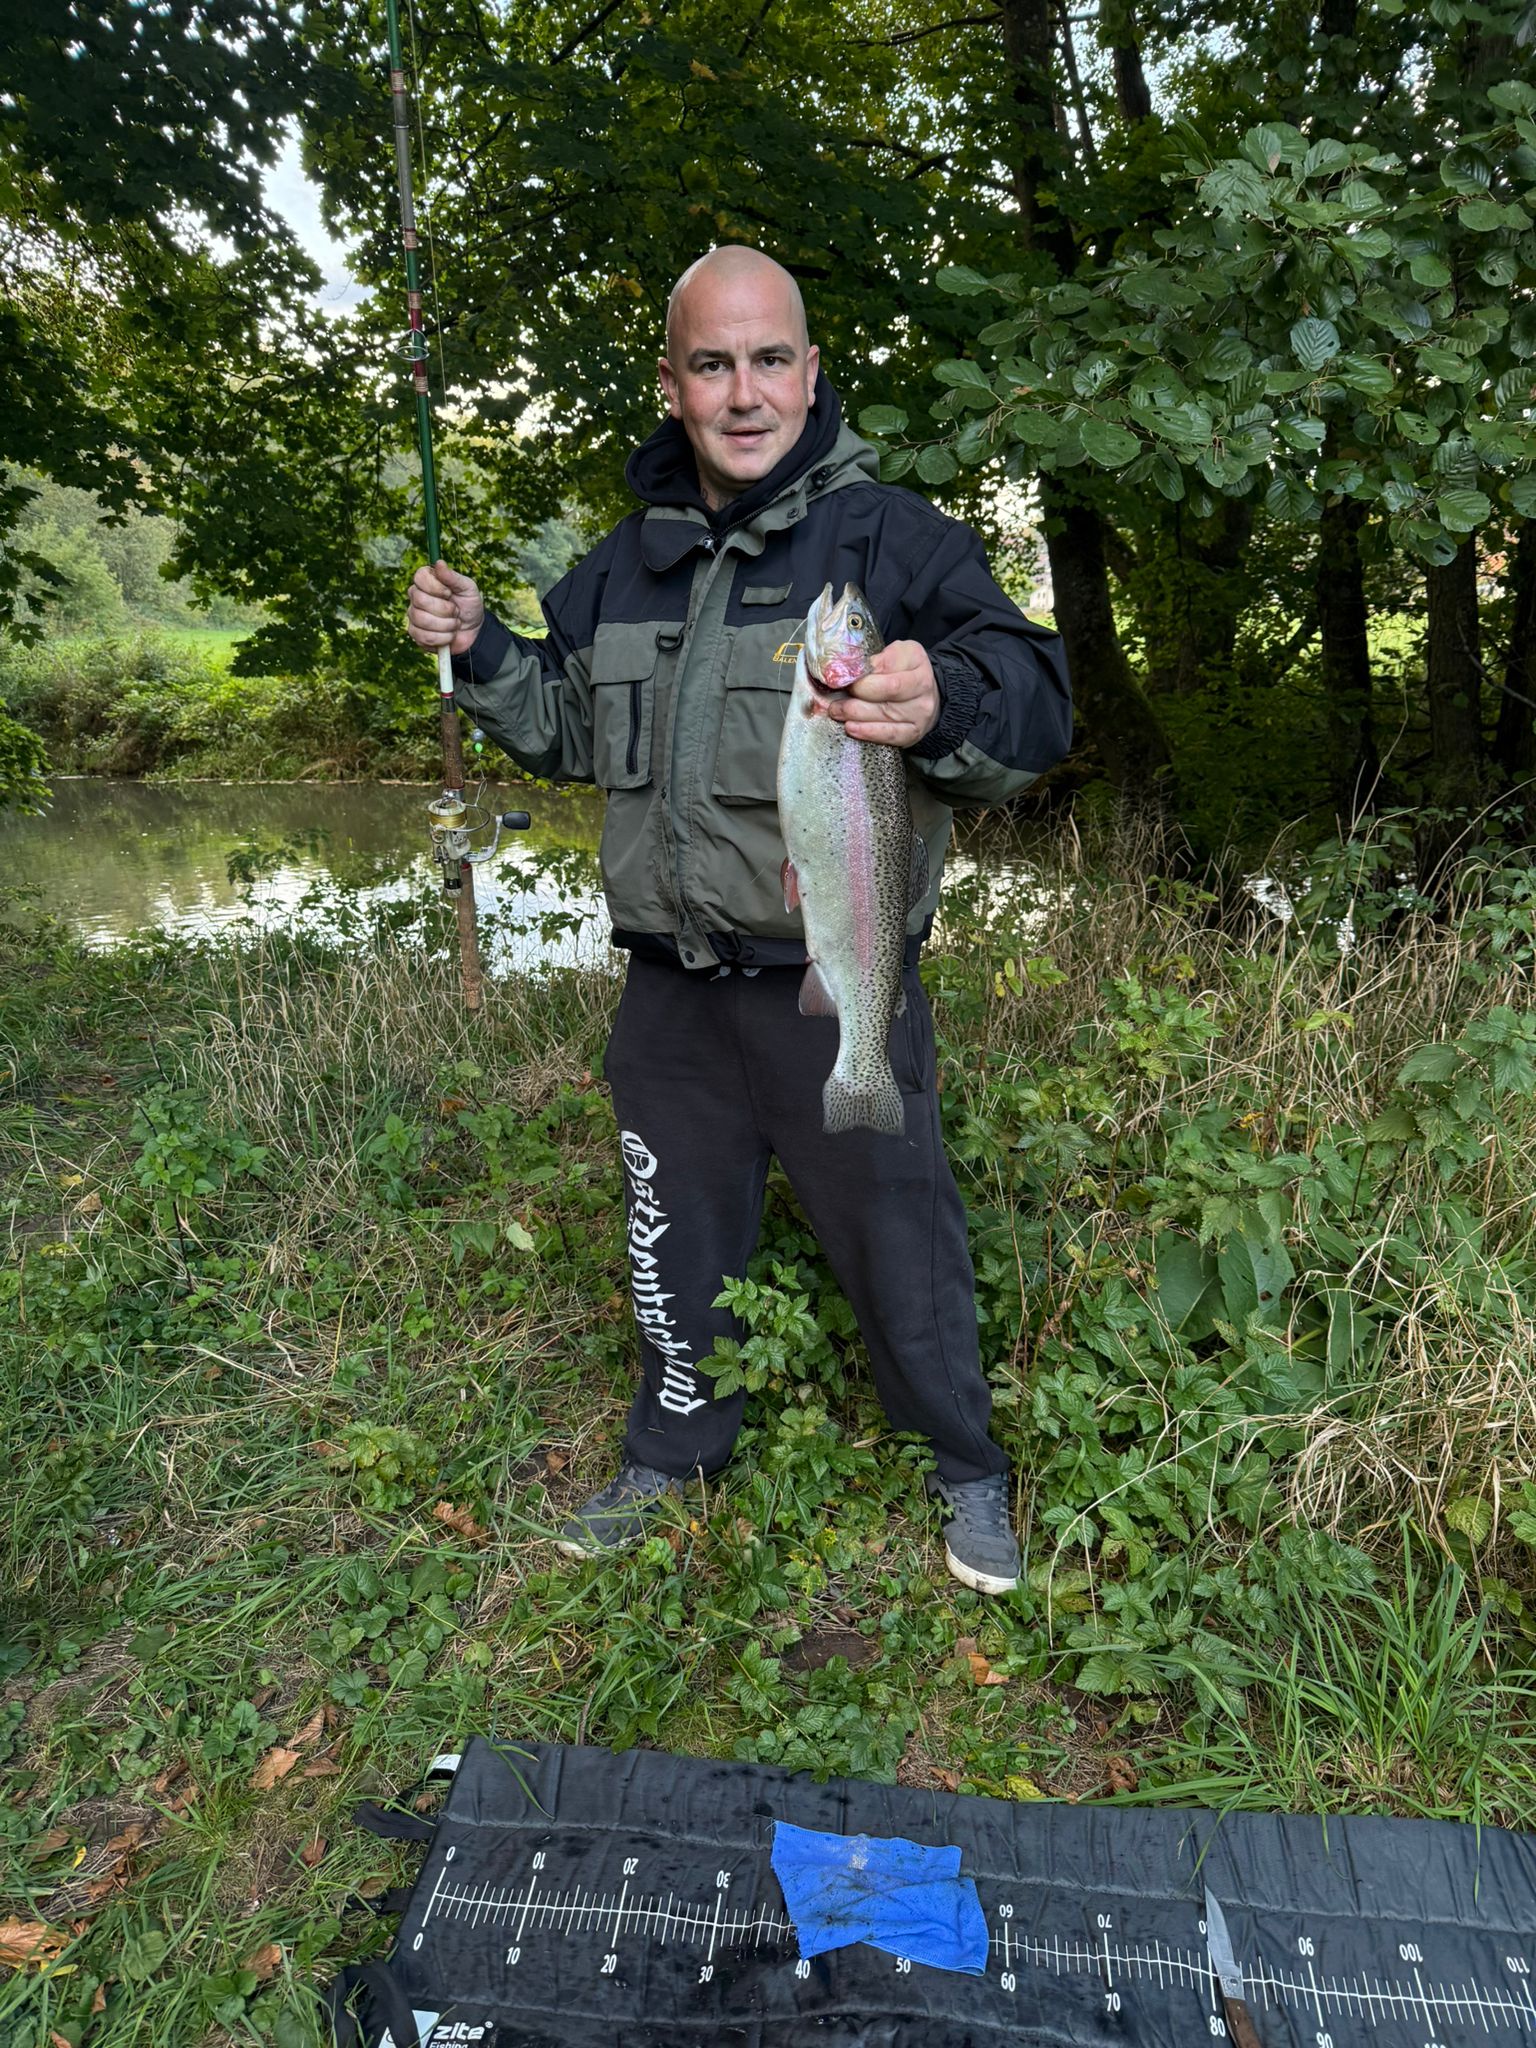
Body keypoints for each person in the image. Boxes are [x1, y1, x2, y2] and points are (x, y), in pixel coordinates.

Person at [406, 245, 1071, 1595]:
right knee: (677, 1233)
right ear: (674, 386)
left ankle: (965, 1465)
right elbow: (564, 727)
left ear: (812, 373)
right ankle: (675, 1448)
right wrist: (481, 646)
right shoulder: (628, 560)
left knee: (900, 1230)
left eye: (770, 360)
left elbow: (1035, 702)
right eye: (713, 365)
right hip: (670, 991)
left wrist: (943, 697)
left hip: (838, 968)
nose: (745, 392)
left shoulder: (889, 541)